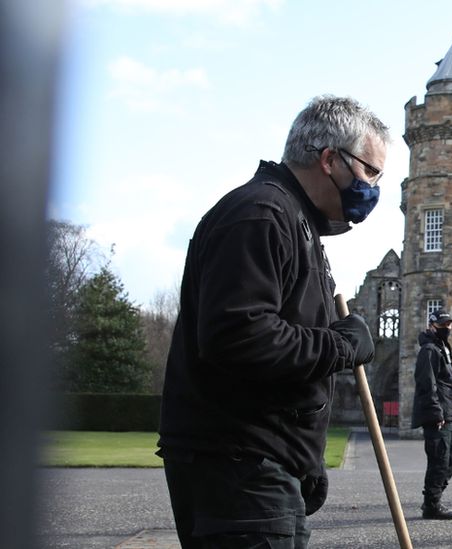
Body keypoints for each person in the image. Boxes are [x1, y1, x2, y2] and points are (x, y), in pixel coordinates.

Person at [156, 95, 391, 549]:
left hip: (267, 461)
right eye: (370, 171)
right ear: (329, 160)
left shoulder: (294, 221)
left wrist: (305, 459)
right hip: (241, 464)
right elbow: (240, 337)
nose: (374, 187)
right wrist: (341, 346)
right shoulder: (261, 215)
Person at [411, 308, 452, 520]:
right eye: (444, 325)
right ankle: (431, 504)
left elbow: (443, 382)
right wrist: (436, 413)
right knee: (439, 460)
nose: (448, 328)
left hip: (448, 411)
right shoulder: (429, 350)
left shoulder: (442, 348)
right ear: (432, 326)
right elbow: (426, 384)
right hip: (439, 415)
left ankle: (433, 498)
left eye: (449, 324)